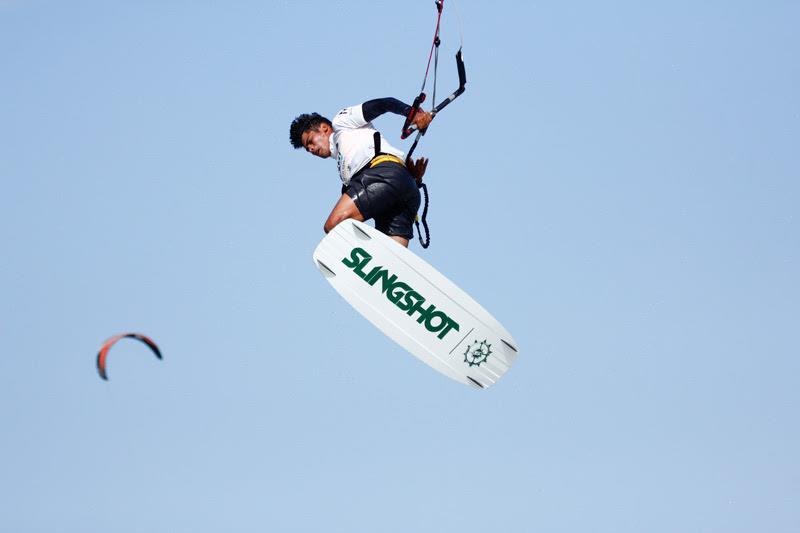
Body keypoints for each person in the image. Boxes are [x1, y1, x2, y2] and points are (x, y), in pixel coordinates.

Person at [289, 98, 432, 248]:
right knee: (390, 259)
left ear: (324, 128)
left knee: (334, 225)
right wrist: (413, 178)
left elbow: (384, 104)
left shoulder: (341, 122)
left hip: (384, 176)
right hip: (406, 187)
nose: (310, 149)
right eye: (307, 149)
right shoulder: (344, 161)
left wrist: (413, 114)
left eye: (310, 141)